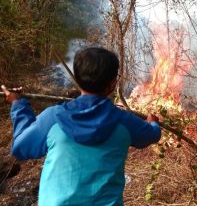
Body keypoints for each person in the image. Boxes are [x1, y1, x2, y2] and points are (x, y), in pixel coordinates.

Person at [1, 47, 161, 206]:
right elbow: (152, 135)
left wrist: (18, 104)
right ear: (113, 84)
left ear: (77, 80)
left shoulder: (53, 118)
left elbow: (21, 147)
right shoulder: (125, 122)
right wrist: (152, 122)